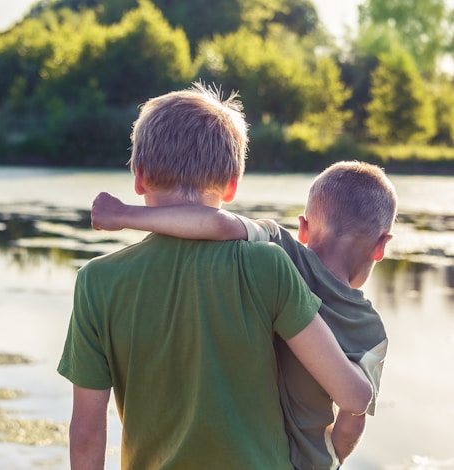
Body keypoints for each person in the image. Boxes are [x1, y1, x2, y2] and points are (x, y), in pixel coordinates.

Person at [59, 83, 372, 470]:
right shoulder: (268, 266)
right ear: (232, 185)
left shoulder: (96, 282)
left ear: (138, 177)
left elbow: (87, 434)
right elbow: (352, 396)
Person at [91, 160, 397, 469]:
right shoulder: (371, 331)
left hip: (244, 448)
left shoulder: (282, 249)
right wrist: (331, 457)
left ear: (304, 228)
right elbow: (351, 424)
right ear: (381, 246)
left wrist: (126, 215)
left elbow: (218, 224)